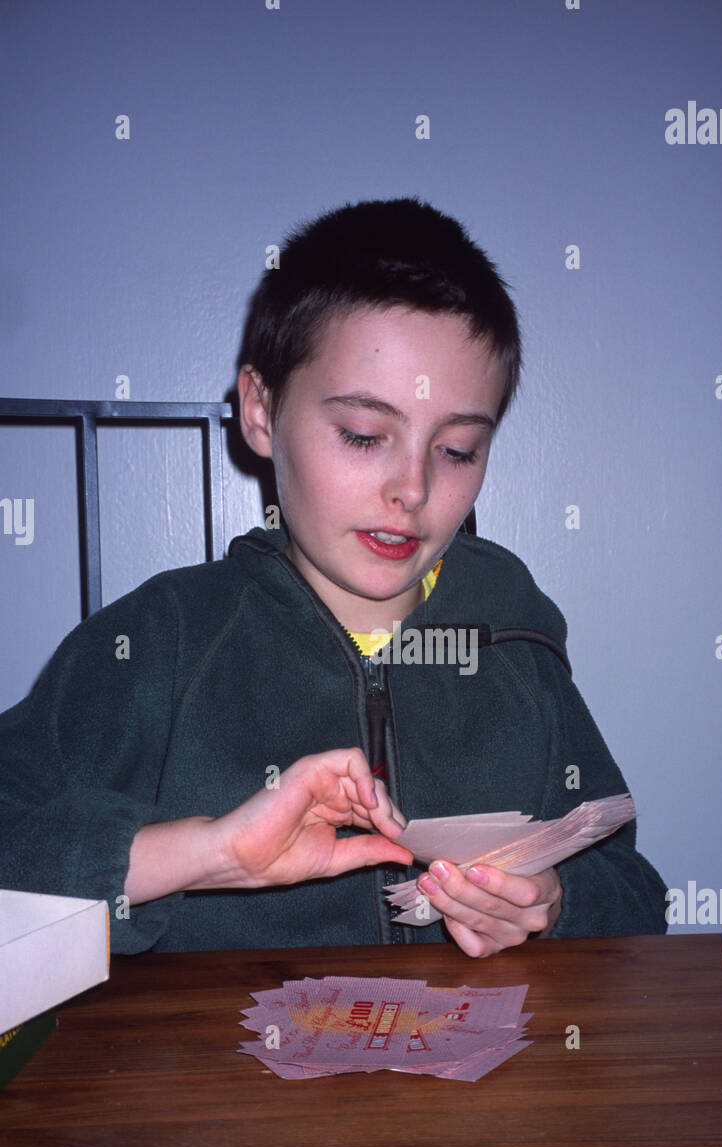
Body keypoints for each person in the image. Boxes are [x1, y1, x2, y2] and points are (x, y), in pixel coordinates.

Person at [0, 196, 668, 957]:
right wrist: (208, 854)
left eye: (456, 450)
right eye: (362, 434)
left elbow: (638, 895)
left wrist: (552, 903)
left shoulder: (514, 639)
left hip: (483, 1073)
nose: (411, 489)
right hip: (209, 1074)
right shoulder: (159, 641)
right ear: (260, 410)